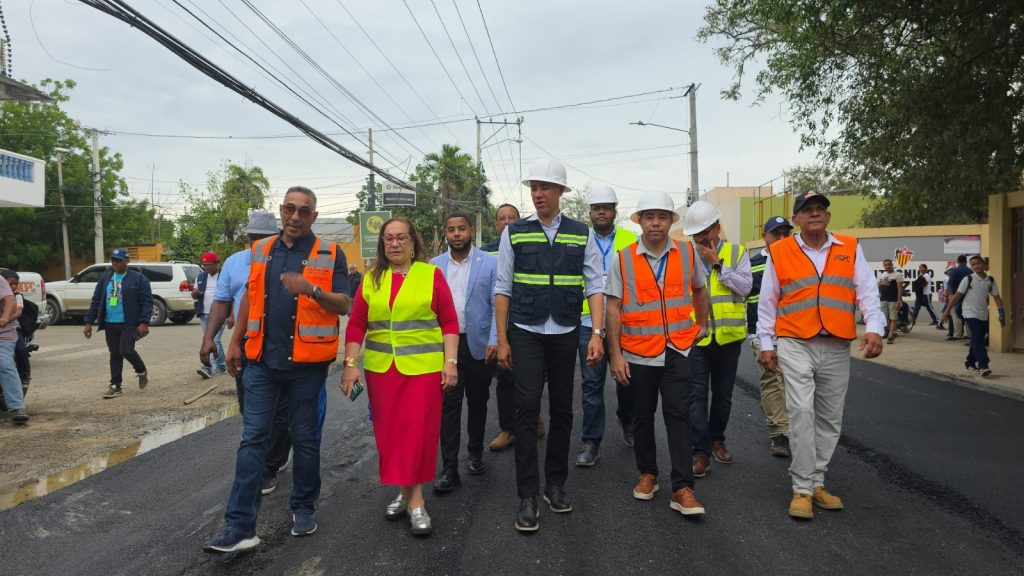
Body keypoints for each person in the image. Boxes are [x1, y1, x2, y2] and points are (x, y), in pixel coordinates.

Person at [204, 186, 350, 553]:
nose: (295, 216)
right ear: (281, 210)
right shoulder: (262, 250)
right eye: (289, 208)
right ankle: (239, 527)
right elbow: (251, 299)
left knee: (305, 439)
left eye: (304, 211)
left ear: (314, 217)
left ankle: (303, 507)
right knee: (253, 439)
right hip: (261, 363)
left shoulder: (331, 253)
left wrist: (311, 289)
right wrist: (235, 342)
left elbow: (344, 304)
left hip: (307, 367)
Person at [757, 191, 885, 520]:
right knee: (801, 410)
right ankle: (801, 488)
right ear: (796, 219)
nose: (814, 214)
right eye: (807, 210)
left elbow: (867, 291)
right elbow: (768, 300)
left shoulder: (849, 247)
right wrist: (767, 343)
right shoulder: (780, 251)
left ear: (827, 216)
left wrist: (874, 327)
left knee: (829, 417)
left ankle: (817, 482)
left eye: (820, 209)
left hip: (837, 343)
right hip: (795, 341)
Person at [494, 159, 605, 533]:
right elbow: (502, 287)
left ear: (560, 191)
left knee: (562, 409)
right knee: (526, 408)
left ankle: (555, 485)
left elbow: (595, 285)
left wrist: (597, 333)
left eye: (545, 188)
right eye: (534, 188)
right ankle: (527, 495)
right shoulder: (515, 232)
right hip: (525, 330)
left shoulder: (581, 233)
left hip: (565, 330)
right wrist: (502, 340)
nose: (538, 194)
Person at [340, 217, 459, 536]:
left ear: (413, 242)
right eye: (389, 238)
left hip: (423, 369)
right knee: (391, 434)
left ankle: (416, 501)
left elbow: (449, 321)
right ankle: (406, 494)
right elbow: (357, 323)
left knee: (417, 433)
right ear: (382, 243)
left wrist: (450, 362)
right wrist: (350, 362)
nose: (395, 243)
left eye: (401, 237)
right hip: (382, 371)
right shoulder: (371, 278)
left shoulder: (430, 275)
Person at [606, 191, 708, 516]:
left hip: (678, 348)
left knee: (679, 415)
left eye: (662, 217)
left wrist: (702, 325)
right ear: (639, 221)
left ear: (670, 221)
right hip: (638, 353)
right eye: (649, 217)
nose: (655, 223)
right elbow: (613, 307)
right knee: (642, 415)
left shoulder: (687, 253)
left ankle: (683, 487)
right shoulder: (623, 259)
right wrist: (615, 355)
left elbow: (700, 288)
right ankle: (648, 473)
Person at [200, 211, 297, 495]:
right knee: (250, 407)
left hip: (281, 343)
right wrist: (209, 338)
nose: (257, 243)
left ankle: (269, 465)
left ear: (276, 236)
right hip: (245, 344)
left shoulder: (288, 260)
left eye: (263, 238)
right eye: (253, 238)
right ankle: (268, 452)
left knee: (280, 410)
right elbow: (222, 302)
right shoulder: (234, 263)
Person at [681, 201, 752, 477]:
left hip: (728, 339)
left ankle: (716, 439)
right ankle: (700, 451)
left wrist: (718, 265)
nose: (700, 238)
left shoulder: (736, 253)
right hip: (696, 338)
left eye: (705, 232)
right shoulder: (685, 257)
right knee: (696, 397)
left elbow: (745, 288)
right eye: (695, 234)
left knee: (723, 396)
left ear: (717, 228)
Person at [431, 212, 498, 493]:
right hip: (448, 345)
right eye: (451, 229)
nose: (456, 234)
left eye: (461, 229)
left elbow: (496, 303)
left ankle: (475, 453)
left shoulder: (490, 262)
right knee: (449, 405)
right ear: (446, 233)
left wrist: (495, 338)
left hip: (479, 344)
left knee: (479, 401)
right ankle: (449, 468)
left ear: (471, 230)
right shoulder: (434, 266)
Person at [576, 185, 638, 467]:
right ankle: (591, 441)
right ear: (589, 212)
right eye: (596, 208)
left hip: (624, 320)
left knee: (627, 378)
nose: (601, 212)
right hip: (587, 320)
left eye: (606, 208)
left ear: (614, 211)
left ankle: (627, 418)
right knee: (591, 383)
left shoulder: (630, 239)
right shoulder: (580, 239)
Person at [482, 203, 544, 450]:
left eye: (512, 218)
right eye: (502, 218)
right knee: (505, 377)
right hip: (501, 322)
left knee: (533, 376)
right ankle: (508, 429)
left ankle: (533, 417)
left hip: (530, 321)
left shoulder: (532, 246)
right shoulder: (486, 253)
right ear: (496, 224)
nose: (507, 222)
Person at [746, 216, 793, 458]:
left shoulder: (799, 259)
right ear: (765, 236)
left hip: (795, 333)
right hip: (763, 333)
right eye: (777, 234)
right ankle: (779, 434)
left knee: (795, 383)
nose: (783, 238)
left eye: (786, 233)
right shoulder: (752, 264)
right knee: (773, 380)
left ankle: (792, 424)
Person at [83, 249, 153, 399]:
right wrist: (88, 322)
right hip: (110, 323)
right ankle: (115, 386)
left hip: (129, 323)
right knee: (114, 354)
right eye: (113, 260)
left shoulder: (139, 279)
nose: (115, 263)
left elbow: (147, 302)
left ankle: (141, 370)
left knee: (126, 350)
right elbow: (96, 300)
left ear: (127, 261)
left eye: (118, 260)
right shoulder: (106, 278)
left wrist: (144, 322)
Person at [940, 255, 1005, 377]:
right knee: (977, 336)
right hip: (969, 312)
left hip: (983, 313)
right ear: (971, 267)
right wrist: (946, 312)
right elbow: (956, 297)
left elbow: (997, 298)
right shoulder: (968, 279)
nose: (976, 266)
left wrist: (1002, 314)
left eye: (978, 263)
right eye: (973, 265)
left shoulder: (990, 280)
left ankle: (970, 362)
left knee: (978, 338)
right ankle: (983, 365)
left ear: (984, 265)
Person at [0, 270, 28, 424]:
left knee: (4, 364)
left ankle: (17, 407)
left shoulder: (0, 281)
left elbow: (10, 300)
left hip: (3, 333)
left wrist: (5, 317)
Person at [194, 251, 226, 378]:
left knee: (214, 339)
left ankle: (208, 367)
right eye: (204, 265)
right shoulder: (201, 277)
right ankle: (221, 365)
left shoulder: (224, 275)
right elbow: (195, 294)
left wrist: (231, 315)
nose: (206, 267)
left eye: (209, 265)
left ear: (216, 263)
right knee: (209, 339)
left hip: (220, 314)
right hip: (204, 313)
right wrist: (195, 294)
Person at [877, 258, 905, 344]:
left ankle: (890, 336)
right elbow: (876, 286)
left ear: (892, 265)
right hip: (883, 300)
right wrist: (881, 283)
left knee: (893, 318)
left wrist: (899, 301)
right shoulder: (882, 275)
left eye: (889, 264)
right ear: (883, 266)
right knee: (884, 319)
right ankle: (889, 332)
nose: (887, 266)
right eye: (885, 265)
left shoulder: (898, 275)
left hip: (893, 300)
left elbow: (900, 289)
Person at [945, 254, 971, 340]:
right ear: (966, 261)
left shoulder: (954, 271)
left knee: (955, 314)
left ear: (957, 261)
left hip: (955, 294)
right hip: (968, 295)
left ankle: (957, 334)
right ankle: (969, 334)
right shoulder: (970, 271)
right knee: (967, 314)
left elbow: (950, 285)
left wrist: (946, 296)